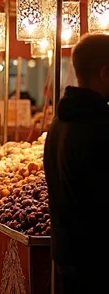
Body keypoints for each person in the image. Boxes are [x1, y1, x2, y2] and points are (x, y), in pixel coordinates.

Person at [44, 34, 109, 293]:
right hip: (97, 262)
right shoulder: (99, 128)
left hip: (66, 253)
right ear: (105, 73)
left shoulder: (58, 124)